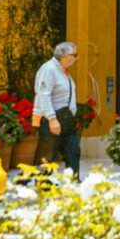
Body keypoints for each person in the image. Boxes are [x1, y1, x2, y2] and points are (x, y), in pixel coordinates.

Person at [32, 41, 82, 174]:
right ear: (65, 56)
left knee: (73, 152)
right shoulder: (49, 70)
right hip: (51, 120)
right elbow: (44, 95)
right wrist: (52, 119)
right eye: (75, 55)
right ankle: (42, 184)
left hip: (65, 119)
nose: (77, 58)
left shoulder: (63, 71)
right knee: (48, 156)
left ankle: (73, 182)